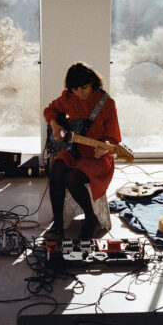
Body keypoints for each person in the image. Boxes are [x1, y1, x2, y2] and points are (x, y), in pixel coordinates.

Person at [43, 62, 121, 240]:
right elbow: (50, 110)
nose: (80, 93)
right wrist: (55, 125)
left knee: (72, 177)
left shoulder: (107, 104)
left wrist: (104, 147)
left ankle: (90, 218)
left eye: (84, 88)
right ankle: (57, 222)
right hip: (74, 150)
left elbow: (113, 138)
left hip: (97, 157)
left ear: (93, 82)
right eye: (75, 89)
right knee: (57, 168)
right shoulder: (70, 98)